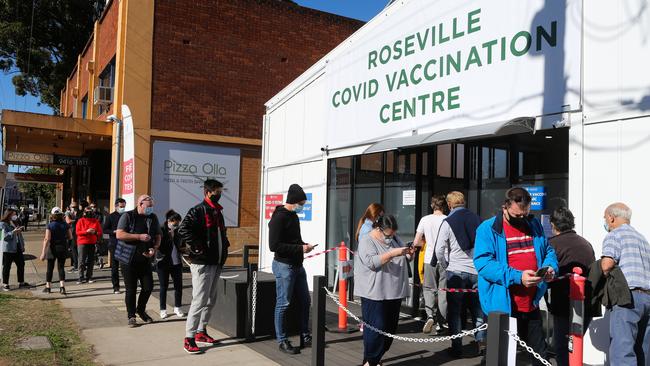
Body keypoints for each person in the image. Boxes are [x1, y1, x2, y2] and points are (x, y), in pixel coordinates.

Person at [474, 187, 558, 365]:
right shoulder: (487, 229)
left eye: (525, 214)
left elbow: (548, 250)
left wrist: (549, 268)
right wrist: (518, 277)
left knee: (540, 357)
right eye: (517, 215)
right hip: (502, 306)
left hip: (531, 304)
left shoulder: (533, 223)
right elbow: (484, 264)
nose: (522, 219)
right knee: (498, 358)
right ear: (505, 207)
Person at [179, 180, 230, 354]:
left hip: (216, 261)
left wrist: (225, 245)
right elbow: (183, 229)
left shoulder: (217, 211)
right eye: (217, 191)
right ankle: (189, 337)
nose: (219, 194)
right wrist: (198, 246)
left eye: (220, 191)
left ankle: (201, 331)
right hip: (202, 262)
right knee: (199, 300)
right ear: (208, 192)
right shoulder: (198, 210)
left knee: (210, 300)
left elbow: (221, 234)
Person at [355, 214, 413, 366]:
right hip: (374, 292)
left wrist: (409, 253)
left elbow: (405, 257)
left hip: (394, 291)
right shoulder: (367, 240)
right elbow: (371, 262)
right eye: (388, 234)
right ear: (379, 229)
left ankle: (373, 359)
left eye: (393, 234)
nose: (391, 237)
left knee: (389, 330)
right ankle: (370, 361)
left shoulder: (394, 238)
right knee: (376, 328)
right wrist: (394, 253)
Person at [434, 191, 485, 357]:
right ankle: (481, 344)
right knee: (477, 309)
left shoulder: (448, 222)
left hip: (456, 269)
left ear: (449, 205)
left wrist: (445, 265)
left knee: (455, 311)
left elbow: (439, 249)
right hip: (476, 270)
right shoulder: (477, 219)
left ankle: (457, 348)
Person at [600, 202, 650, 365]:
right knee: (644, 350)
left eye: (605, 218)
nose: (605, 222)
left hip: (627, 297)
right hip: (647, 298)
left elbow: (607, 265)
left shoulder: (614, 235)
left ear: (611, 217)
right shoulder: (643, 239)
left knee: (622, 350)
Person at [268, 183, 315, 355]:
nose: (302, 206)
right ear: (294, 201)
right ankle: (282, 340)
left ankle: (305, 334)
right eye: (301, 203)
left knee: (305, 300)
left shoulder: (293, 217)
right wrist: (300, 248)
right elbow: (274, 246)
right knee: (283, 303)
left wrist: (304, 246)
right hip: (284, 266)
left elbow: (294, 241)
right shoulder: (279, 218)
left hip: (297, 265)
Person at [545, 207, 595, 366]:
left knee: (563, 347)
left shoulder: (552, 244)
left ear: (553, 225)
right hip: (587, 303)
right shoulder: (585, 243)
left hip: (564, 304)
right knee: (575, 345)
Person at [116, 194, 161, 327]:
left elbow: (158, 235)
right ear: (140, 204)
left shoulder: (152, 217)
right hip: (128, 259)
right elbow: (119, 234)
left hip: (145, 258)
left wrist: (154, 248)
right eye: (149, 206)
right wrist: (139, 236)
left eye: (152, 206)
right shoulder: (128, 216)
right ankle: (131, 316)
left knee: (148, 287)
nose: (151, 209)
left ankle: (141, 310)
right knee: (131, 289)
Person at [412, 195, 448, 334]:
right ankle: (441, 323)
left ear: (432, 205)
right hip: (445, 259)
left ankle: (430, 315)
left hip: (429, 259)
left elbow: (416, 242)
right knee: (443, 291)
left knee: (428, 289)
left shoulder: (425, 219)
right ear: (444, 206)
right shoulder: (447, 220)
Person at [156, 210, 185, 319]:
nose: (177, 225)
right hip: (163, 262)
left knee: (178, 286)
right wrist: (170, 237)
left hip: (176, 262)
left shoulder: (179, 231)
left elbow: (180, 245)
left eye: (178, 223)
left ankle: (178, 307)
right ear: (169, 221)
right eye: (175, 223)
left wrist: (184, 249)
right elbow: (160, 247)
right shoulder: (160, 229)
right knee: (164, 286)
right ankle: (163, 309)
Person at [39, 207, 73, 295]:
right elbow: (70, 237)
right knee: (61, 267)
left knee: (50, 268)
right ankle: (62, 287)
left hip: (52, 248)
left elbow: (47, 239)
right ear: (61, 215)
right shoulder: (66, 225)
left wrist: (43, 252)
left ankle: (48, 287)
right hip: (62, 247)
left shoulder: (50, 225)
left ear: (53, 215)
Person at [1, 208, 30, 290]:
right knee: (7, 266)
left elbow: (20, 236)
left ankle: (21, 282)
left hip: (17, 247)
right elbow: (4, 237)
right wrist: (13, 232)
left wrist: (22, 245)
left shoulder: (15, 223)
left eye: (15, 214)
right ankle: (5, 284)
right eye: (13, 214)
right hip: (8, 249)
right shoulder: (2, 224)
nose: (15, 216)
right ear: (8, 214)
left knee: (21, 264)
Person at [103, 198, 126, 293]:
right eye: (121, 207)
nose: (123, 208)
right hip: (114, 244)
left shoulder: (126, 215)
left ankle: (129, 285)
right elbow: (105, 230)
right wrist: (114, 231)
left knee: (126, 266)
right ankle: (116, 287)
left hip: (125, 244)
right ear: (116, 206)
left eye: (124, 206)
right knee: (115, 267)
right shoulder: (110, 216)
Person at [75, 206, 102, 284]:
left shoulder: (95, 221)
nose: (89, 213)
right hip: (82, 243)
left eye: (90, 212)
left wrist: (95, 232)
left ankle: (89, 277)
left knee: (91, 261)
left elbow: (100, 232)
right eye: (87, 212)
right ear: (84, 212)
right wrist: (86, 232)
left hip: (92, 242)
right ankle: (80, 277)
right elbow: (77, 232)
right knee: (81, 260)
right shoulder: (80, 221)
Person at [65, 203, 80, 272]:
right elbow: (68, 221)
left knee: (77, 250)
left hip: (78, 234)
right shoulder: (69, 213)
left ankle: (77, 265)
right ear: (70, 207)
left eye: (75, 207)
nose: (74, 208)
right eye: (72, 207)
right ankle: (75, 264)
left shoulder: (79, 213)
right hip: (71, 234)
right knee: (73, 250)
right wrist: (76, 221)